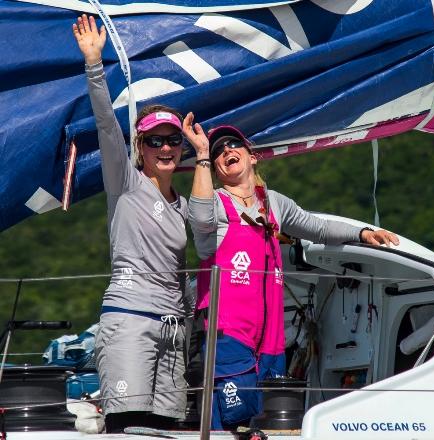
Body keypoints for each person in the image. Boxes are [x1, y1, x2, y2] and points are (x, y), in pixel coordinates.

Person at [182, 116, 399, 429]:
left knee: (265, 423)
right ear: (216, 170)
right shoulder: (216, 202)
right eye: (218, 152)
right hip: (229, 331)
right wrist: (201, 153)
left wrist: (362, 232)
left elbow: (318, 227)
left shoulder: (274, 204)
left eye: (233, 144)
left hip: (271, 338)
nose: (226, 150)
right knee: (232, 418)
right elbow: (200, 219)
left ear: (251, 155)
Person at [72, 15, 192, 433]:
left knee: (167, 427)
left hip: (174, 329)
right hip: (130, 319)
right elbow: (107, 124)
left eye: (172, 140)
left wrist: (206, 154)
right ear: (139, 148)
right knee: (130, 425)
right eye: (154, 140)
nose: (164, 147)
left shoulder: (184, 204)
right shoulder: (125, 181)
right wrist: (93, 63)